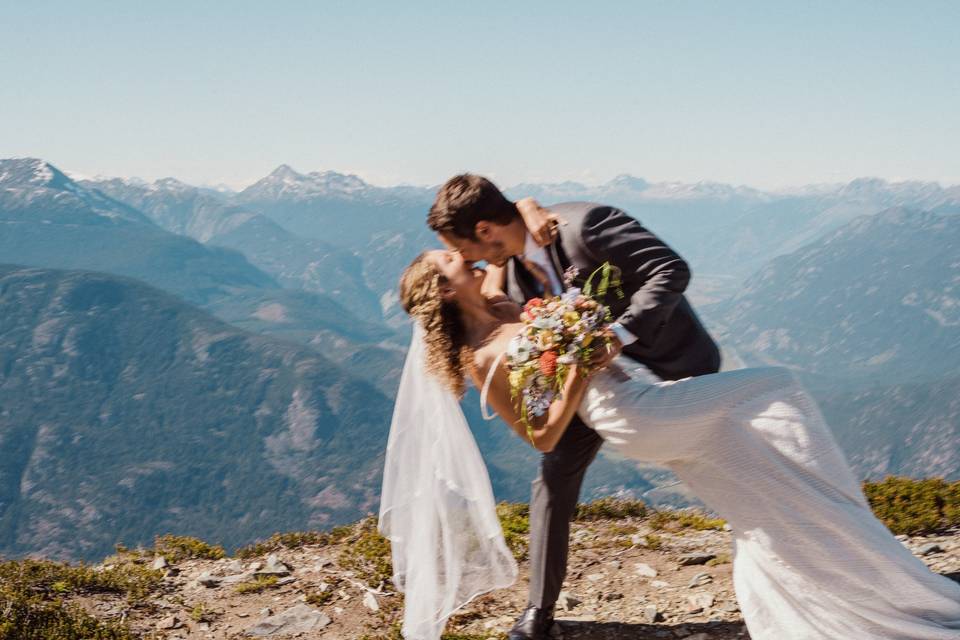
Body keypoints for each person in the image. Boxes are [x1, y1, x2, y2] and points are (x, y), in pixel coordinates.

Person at [382, 248, 960, 640]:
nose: (471, 257)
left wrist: (554, 264)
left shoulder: (507, 305)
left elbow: (519, 248)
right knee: (777, 383)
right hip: (630, 415)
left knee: (757, 496)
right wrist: (582, 361)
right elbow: (542, 433)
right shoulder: (482, 356)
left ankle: (844, 573)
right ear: (446, 290)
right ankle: (838, 502)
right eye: (456, 260)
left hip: (635, 399)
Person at [425, 174, 721, 639]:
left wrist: (619, 336)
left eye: (462, 249)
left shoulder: (586, 226)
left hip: (670, 364)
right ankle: (538, 614)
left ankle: (780, 546)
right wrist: (525, 205)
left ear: (485, 230)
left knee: (722, 466)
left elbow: (671, 270)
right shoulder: (505, 264)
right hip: (588, 388)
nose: (466, 261)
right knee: (553, 477)